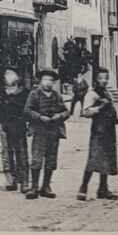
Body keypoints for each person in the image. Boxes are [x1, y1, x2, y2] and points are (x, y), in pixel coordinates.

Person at [24, 68, 70, 199]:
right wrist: (39, 117)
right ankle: (34, 187)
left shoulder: (57, 96)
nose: (48, 83)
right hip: (39, 130)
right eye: (45, 79)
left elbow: (66, 112)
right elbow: (27, 110)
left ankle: (46, 186)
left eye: (50, 80)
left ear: (54, 82)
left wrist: (59, 116)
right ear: (40, 81)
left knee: (51, 159)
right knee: (37, 158)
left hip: (54, 131)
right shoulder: (34, 94)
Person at [77, 69, 118, 201]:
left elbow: (111, 108)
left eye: (106, 78)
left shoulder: (106, 93)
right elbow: (85, 112)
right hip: (98, 130)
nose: (104, 80)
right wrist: (100, 107)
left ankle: (103, 189)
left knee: (107, 158)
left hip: (109, 129)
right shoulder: (92, 94)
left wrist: (115, 118)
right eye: (101, 78)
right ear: (96, 79)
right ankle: (83, 188)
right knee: (94, 158)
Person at [0, 68, 30, 194]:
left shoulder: (25, 93)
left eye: (11, 74)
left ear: (18, 77)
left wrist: (29, 125)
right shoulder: (1, 93)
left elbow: (29, 111)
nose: (8, 76)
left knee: (22, 154)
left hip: (20, 126)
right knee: (7, 154)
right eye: (6, 74)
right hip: (5, 127)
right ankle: (10, 181)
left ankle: (24, 182)